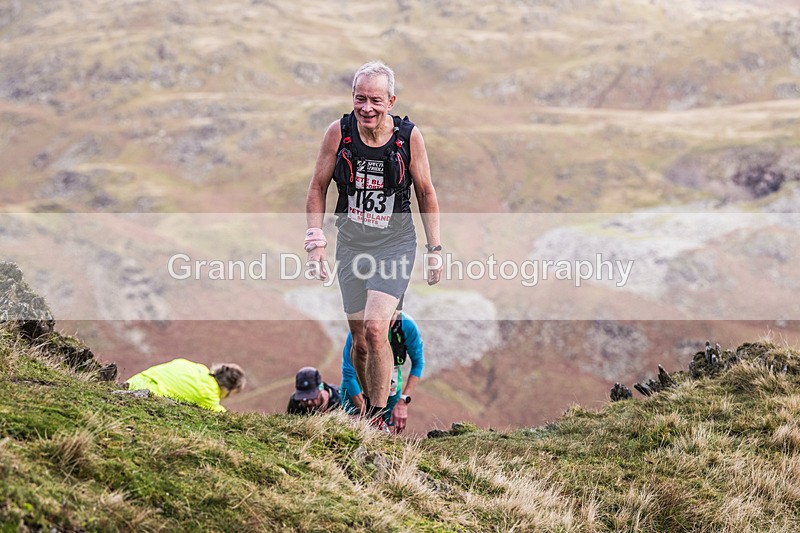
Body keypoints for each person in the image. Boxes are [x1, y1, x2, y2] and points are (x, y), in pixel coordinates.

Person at [304, 60, 441, 427]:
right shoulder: (339, 133)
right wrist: (316, 243)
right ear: (352, 97)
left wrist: (434, 251)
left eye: (376, 100)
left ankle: (377, 419)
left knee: (377, 328)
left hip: (395, 244)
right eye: (360, 98)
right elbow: (317, 187)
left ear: (391, 101)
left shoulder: (409, 137)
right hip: (350, 245)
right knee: (360, 342)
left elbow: (426, 193)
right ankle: (370, 409)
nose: (367, 107)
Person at [340, 296, 424, 434]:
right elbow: (348, 373)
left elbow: (418, 363)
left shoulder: (407, 326)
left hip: (391, 392)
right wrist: (365, 413)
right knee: (357, 432)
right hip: (356, 391)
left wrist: (403, 401)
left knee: (386, 437)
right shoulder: (362, 327)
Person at [124, 358, 246, 412]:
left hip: (132, 383)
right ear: (227, 389)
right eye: (229, 394)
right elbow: (223, 415)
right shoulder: (208, 395)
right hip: (145, 396)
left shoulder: (196, 367)